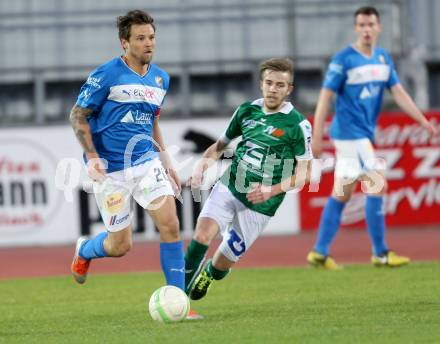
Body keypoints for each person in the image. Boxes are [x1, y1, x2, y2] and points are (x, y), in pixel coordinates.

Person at [69, 10, 201, 319]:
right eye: (140, 38)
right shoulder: (106, 75)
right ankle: (85, 250)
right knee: (120, 246)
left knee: (171, 225)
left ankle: (179, 301)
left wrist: (166, 161)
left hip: (144, 163)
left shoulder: (160, 79)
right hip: (110, 171)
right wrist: (91, 156)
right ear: (124, 43)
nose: (148, 44)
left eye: (151, 37)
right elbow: (77, 115)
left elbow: (153, 122)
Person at [307, 6, 437, 270]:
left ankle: (319, 252)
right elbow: (324, 98)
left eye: (371, 24)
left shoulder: (382, 58)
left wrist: (422, 120)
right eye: (362, 25)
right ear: (356, 28)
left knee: (343, 192)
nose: (366, 29)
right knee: (378, 184)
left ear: (379, 28)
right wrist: (317, 136)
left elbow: (398, 92)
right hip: (348, 133)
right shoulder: (343, 59)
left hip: (361, 133)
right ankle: (380, 253)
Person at [184, 58, 313, 301]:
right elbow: (218, 147)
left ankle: (210, 273)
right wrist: (203, 164)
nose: (273, 89)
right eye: (269, 83)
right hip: (231, 184)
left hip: (262, 203)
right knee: (201, 236)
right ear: (261, 84)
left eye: (279, 85)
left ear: (289, 89)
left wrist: (271, 190)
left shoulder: (298, 125)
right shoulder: (246, 111)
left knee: (224, 262)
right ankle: (178, 294)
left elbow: (305, 173)